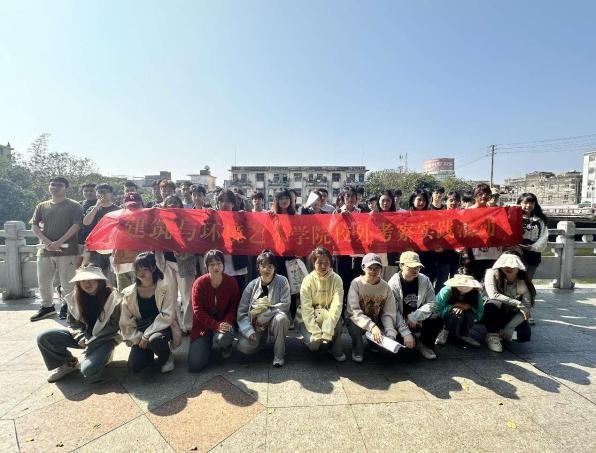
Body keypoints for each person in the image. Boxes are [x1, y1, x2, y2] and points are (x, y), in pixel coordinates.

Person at [37, 266, 122, 383]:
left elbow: (114, 326)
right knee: (44, 337)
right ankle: (68, 363)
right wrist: (80, 336)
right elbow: (73, 324)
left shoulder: (113, 298)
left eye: (91, 280)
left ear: (99, 281)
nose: (87, 284)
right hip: (84, 338)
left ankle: (104, 354)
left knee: (88, 370)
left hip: (104, 339)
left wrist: (92, 342)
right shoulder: (74, 298)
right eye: (83, 281)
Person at [30, 177, 83, 322]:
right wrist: (47, 241)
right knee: (43, 281)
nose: (55, 187)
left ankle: (72, 310)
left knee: (68, 283)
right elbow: (34, 226)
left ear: (66, 188)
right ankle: (47, 307)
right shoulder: (42, 206)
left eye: (60, 185)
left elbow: (77, 226)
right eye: (52, 184)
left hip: (67, 250)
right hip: (45, 250)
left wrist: (59, 242)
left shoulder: (74, 205)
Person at [120, 252, 179, 374]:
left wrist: (146, 336)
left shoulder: (165, 287)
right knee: (135, 366)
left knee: (156, 340)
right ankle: (150, 352)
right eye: (138, 270)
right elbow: (126, 322)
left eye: (145, 269)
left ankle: (166, 357)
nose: (141, 273)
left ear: (153, 268)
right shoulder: (128, 293)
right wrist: (138, 338)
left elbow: (167, 315)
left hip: (161, 328)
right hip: (140, 331)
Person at [237, 250, 291, 366]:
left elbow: (285, 304)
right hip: (256, 325)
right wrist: (248, 330)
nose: (267, 269)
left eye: (270, 266)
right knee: (243, 346)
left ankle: (279, 355)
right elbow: (242, 311)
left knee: (281, 319)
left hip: (274, 321)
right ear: (258, 267)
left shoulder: (282, 281)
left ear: (275, 267)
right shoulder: (251, 285)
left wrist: (265, 315)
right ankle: (261, 341)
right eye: (263, 266)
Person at [188, 249, 239, 372]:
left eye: (219, 263)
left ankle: (226, 346)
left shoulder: (231, 282)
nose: (216, 267)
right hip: (203, 327)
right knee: (195, 365)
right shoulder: (199, 284)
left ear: (223, 265)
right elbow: (197, 310)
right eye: (211, 264)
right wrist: (215, 325)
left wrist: (226, 322)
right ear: (206, 267)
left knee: (223, 338)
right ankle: (206, 345)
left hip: (224, 323)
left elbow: (234, 306)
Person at [388, 251, 442, 360]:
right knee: (408, 357)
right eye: (411, 267)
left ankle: (425, 344)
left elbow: (432, 302)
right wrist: (405, 332)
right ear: (401, 266)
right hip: (400, 321)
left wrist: (416, 316)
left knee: (437, 318)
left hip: (418, 318)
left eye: (418, 267)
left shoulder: (424, 280)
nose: (415, 270)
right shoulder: (393, 284)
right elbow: (393, 311)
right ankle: (416, 342)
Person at [345, 253, 397, 362]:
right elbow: (354, 311)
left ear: (381, 269)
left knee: (384, 349)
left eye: (377, 268)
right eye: (370, 268)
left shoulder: (386, 287)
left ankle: (373, 343)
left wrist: (390, 333)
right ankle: (357, 349)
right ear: (363, 267)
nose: (373, 271)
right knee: (353, 325)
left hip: (377, 321)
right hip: (358, 321)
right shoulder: (356, 283)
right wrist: (371, 326)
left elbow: (389, 313)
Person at [296, 247, 345, 361]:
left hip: (328, 314)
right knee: (314, 345)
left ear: (331, 263)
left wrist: (328, 327)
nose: (323, 266)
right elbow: (306, 308)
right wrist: (315, 331)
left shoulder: (337, 279)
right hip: (310, 316)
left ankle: (335, 348)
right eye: (319, 263)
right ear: (313, 263)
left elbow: (337, 305)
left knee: (337, 321)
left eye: (326, 263)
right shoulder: (307, 280)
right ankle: (309, 339)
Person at [157, 195, 197, 335]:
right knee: (171, 295)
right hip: (166, 262)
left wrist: (183, 251)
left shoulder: (188, 221)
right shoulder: (160, 221)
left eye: (175, 202)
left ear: (180, 205)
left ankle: (188, 325)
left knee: (187, 295)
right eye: (169, 203)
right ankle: (175, 324)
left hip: (185, 262)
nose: (172, 205)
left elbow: (195, 241)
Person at [483, 252, 535, 353]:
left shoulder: (523, 281)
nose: (509, 268)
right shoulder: (491, 273)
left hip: (511, 313)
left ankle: (502, 333)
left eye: (513, 264)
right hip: (491, 310)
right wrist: (517, 303)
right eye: (505, 264)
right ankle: (492, 334)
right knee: (492, 304)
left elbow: (526, 307)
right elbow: (493, 294)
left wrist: (510, 327)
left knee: (524, 335)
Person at [465, 183, 502, 281]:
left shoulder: (494, 212)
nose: (484, 196)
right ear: (474, 196)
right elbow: (463, 232)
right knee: (475, 282)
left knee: (491, 282)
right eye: (480, 194)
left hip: (493, 254)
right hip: (474, 254)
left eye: (487, 194)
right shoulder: (467, 212)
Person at [435, 273, 484, 347]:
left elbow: (479, 312)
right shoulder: (446, 290)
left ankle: (464, 334)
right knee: (455, 313)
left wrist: (469, 308)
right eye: (461, 284)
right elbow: (437, 310)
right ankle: (445, 331)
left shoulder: (476, 293)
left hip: (466, 315)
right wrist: (453, 306)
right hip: (445, 318)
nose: (464, 287)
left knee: (470, 314)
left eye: (467, 284)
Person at [81, 184, 120, 272]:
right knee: (96, 274)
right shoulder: (92, 209)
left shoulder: (118, 209)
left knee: (112, 275)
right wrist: (96, 207)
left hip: (112, 247)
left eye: (105, 192)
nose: (102, 194)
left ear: (111, 194)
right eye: (99, 192)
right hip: (95, 248)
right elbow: (86, 222)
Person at [218, 190, 249, 291]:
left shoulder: (240, 217)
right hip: (219, 265)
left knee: (239, 293)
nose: (224, 204)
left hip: (238, 265)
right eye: (221, 201)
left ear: (233, 204)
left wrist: (245, 217)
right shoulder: (213, 218)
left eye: (227, 201)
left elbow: (252, 229)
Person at [434, 191, 464, 292]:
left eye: (456, 200)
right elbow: (434, 234)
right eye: (451, 200)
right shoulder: (439, 216)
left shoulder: (462, 217)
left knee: (455, 281)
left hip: (456, 254)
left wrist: (462, 246)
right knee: (442, 280)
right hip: (442, 254)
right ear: (445, 201)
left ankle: (452, 300)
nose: (453, 203)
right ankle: (438, 300)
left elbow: (464, 235)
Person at [517, 192, 548, 281]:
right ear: (519, 203)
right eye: (525, 203)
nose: (528, 205)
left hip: (533, 252)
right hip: (517, 251)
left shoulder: (540, 220)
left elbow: (544, 236)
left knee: (527, 279)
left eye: (531, 203)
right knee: (515, 279)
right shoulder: (514, 218)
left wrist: (533, 247)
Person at [407, 189, 436, 283]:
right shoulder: (405, 216)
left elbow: (435, 232)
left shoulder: (430, 216)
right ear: (413, 200)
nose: (422, 202)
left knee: (425, 281)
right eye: (419, 199)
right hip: (411, 254)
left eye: (424, 200)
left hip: (427, 254)